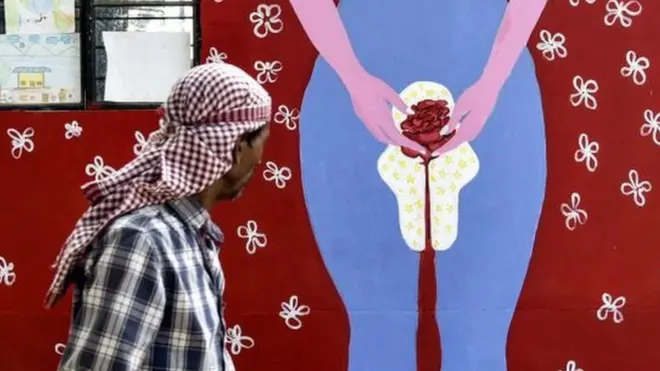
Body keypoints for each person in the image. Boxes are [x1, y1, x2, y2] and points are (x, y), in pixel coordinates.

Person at [290, 0, 548, 370]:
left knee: (480, 323)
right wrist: (352, 76)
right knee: (377, 320)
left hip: (490, 87)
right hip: (357, 85)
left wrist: (493, 81)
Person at [44, 62, 271, 371]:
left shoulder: (192, 237)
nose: (261, 160)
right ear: (237, 145)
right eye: (262, 142)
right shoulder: (142, 241)